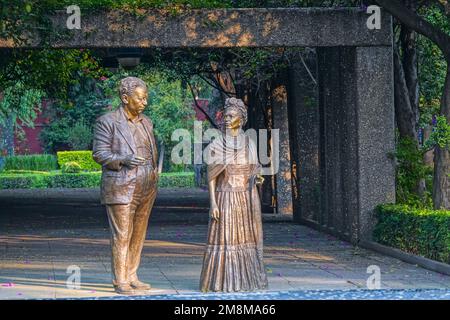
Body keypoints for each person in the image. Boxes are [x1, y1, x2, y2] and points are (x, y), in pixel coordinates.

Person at [92, 77, 158, 295]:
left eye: (145, 97)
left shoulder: (147, 122)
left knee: (138, 234)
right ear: (125, 98)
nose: (144, 102)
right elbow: (99, 154)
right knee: (122, 235)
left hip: (147, 188)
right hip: (121, 187)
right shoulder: (107, 122)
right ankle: (120, 279)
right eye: (140, 98)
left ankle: (132, 275)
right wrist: (123, 159)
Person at [199, 97, 268, 292]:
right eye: (226, 115)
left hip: (245, 198)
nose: (226, 119)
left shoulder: (249, 143)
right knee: (226, 239)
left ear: (241, 118)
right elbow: (211, 177)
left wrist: (257, 176)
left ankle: (247, 280)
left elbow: (254, 169)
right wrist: (213, 203)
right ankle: (223, 281)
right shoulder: (217, 144)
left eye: (231, 116)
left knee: (246, 239)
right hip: (226, 197)